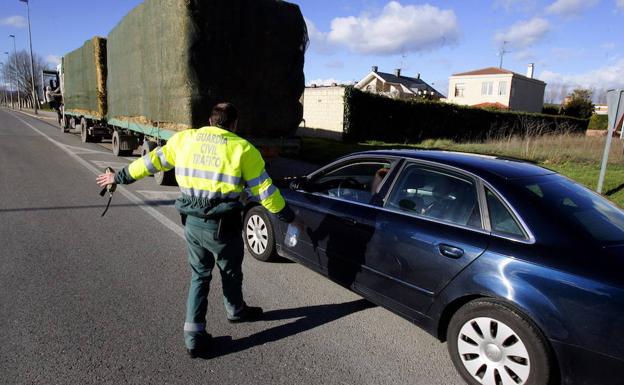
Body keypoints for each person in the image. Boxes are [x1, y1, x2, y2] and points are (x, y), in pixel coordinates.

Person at [96, 102, 295, 358]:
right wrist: (286, 214)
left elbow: (150, 162)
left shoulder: (184, 140)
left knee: (199, 276)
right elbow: (264, 191)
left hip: (192, 223)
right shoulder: (243, 149)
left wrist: (119, 177)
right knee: (231, 272)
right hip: (224, 227)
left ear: (211, 121)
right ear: (233, 124)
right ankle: (235, 311)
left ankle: (193, 338)